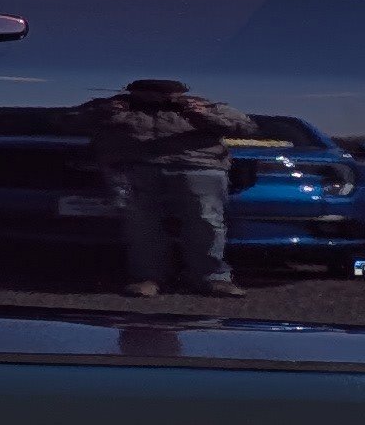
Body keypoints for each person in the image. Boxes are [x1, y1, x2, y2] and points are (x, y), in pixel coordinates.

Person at [77, 76, 252, 298]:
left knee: (206, 219)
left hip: (198, 165)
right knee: (140, 221)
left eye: (164, 92)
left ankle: (212, 277)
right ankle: (148, 277)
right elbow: (68, 121)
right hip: (133, 166)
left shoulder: (206, 106)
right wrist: (103, 112)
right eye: (146, 91)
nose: (155, 96)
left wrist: (201, 115)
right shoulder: (113, 105)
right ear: (133, 91)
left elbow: (246, 126)